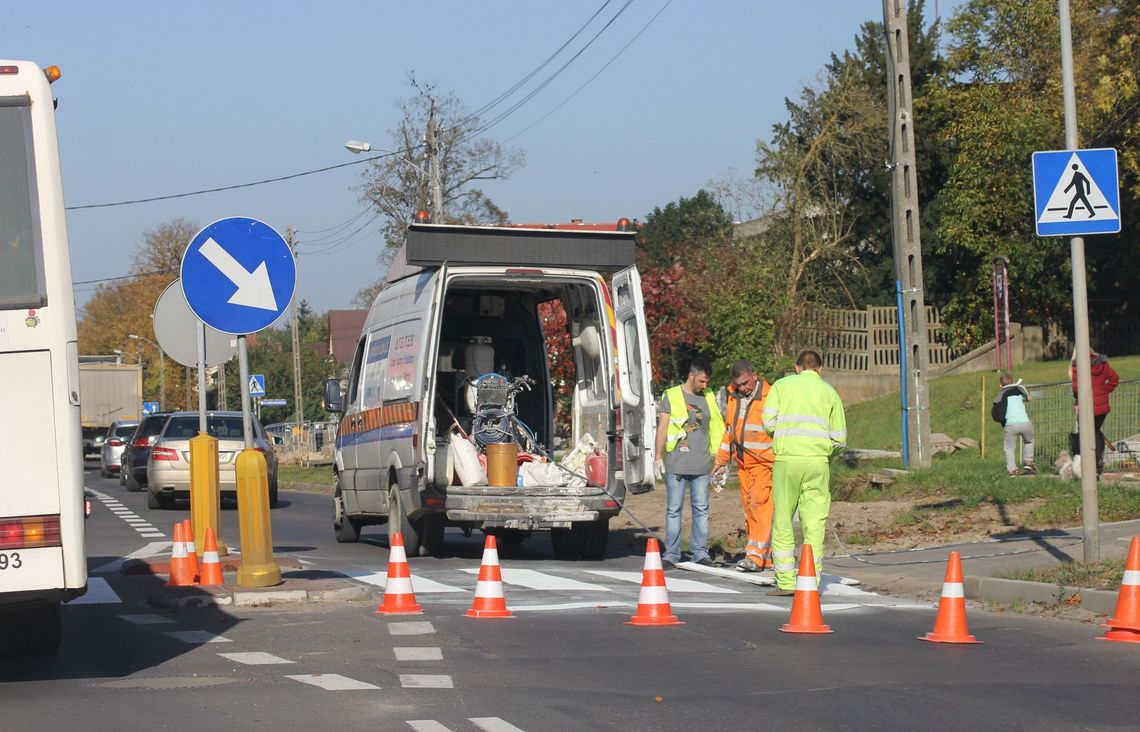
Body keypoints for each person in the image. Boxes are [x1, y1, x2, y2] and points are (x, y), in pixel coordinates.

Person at [761, 349, 846, 596]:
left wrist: (785, 434)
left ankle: (786, 582)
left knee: (783, 520)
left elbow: (768, 423)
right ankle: (811, 580)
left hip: (787, 460)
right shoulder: (830, 392)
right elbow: (840, 439)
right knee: (815, 522)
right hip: (818, 462)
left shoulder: (781, 385)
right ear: (820, 369)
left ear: (796, 367)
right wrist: (826, 453)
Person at [653, 357, 725, 568]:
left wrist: (720, 458)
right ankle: (672, 554)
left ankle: (700, 552)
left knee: (701, 508)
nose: (705, 385)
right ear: (691, 376)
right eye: (702, 381)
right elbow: (663, 427)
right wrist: (658, 456)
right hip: (677, 463)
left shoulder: (709, 396)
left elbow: (717, 427)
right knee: (674, 509)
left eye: (707, 382)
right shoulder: (672, 395)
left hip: (702, 463)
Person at [713, 359, 774, 573]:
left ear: (755, 375)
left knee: (759, 506)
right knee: (750, 511)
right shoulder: (734, 397)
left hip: (764, 464)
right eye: (738, 384)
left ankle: (755, 557)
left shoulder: (771, 397)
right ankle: (764, 557)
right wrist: (721, 461)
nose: (743, 388)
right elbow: (729, 431)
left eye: (746, 383)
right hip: (744, 465)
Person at [1071, 350, 1120, 476]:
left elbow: (1076, 388)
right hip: (1101, 407)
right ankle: (1098, 461)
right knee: (1096, 431)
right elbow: (1114, 379)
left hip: (1086, 405)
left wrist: (1079, 397)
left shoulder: (1078, 367)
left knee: (1086, 433)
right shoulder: (1102, 364)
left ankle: (1090, 462)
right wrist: (1104, 390)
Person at [992, 372, 1035, 476]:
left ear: (1000, 385)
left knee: (1009, 448)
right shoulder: (1019, 389)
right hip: (1025, 423)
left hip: (1011, 425)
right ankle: (1028, 462)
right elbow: (1029, 398)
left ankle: (1012, 470)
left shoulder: (1000, 394)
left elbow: (996, 407)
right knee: (1029, 441)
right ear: (1013, 381)